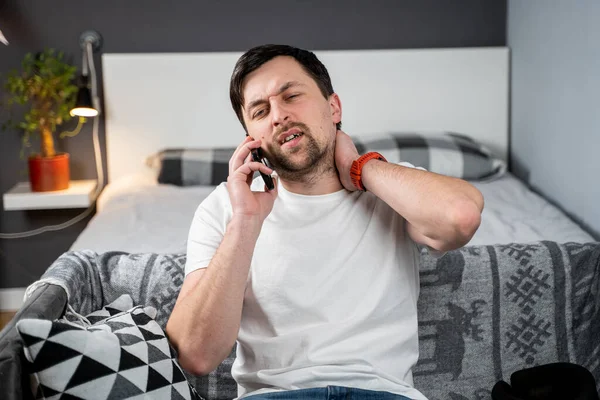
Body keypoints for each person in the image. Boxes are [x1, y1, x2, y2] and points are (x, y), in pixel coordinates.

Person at [166, 44, 484, 400]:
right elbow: (194, 355)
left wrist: (362, 168)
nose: (278, 115)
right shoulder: (225, 208)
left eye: (291, 96)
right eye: (260, 110)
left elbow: (462, 216)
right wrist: (245, 221)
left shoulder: (392, 188)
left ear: (333, 107)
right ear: (250, 138)